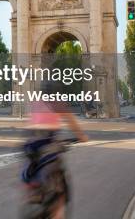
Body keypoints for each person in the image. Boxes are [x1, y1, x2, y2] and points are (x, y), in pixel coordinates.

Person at [22, 78, 88, 219]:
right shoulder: (58, 104)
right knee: (60, 186)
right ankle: (57, 212)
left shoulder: (36, 103)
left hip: (30, 147)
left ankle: (34, 194)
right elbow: (73, 125)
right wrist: (82, 136)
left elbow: (32, 124)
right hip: (47, 147)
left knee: (33, 172)